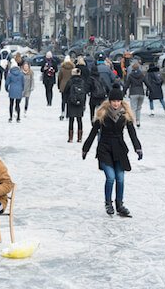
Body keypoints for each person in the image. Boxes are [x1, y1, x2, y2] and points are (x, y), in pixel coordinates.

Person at [82, 84, 143, 217]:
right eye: (113, 101)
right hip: (105, 148)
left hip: (119, 149)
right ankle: (108, 203)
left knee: (120, 178)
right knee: (111, 177)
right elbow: (93, 133)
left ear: (121, 101)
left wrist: (137, 148)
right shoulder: (102, 115)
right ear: (109, 101)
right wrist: (85, 149)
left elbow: (132, 134)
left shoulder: (125, 116)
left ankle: (119, 205)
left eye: (118, 101)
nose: (116, 103)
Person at [63, 68, 86, 142]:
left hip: (71, 102)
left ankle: (70, 138)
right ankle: (79, 138)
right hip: (80, 103)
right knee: (79, 120)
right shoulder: (82, 82)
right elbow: (84, 92)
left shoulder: (70, 81)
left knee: (71, 120)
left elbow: (65, 91)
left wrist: (65, 100)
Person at [123, 61, 146, 127]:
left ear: (132, 68)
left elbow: (127, 85)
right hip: (141, 93)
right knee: (139, 108)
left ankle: (131, 122)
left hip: (133, 93)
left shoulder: (130, 75)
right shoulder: (142, 75)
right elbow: (147, 83)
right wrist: (150, 90)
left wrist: (123, 92)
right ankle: (138, 121)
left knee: (133, 108)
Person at [57, 55, 75, 121]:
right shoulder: (73, 68)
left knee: (63, 100)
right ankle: (68, 114)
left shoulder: (62, 69)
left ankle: (62, 113)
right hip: (70, 86)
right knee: (69, 101)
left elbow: (59, 78)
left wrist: (59, 86)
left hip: (63, 86)